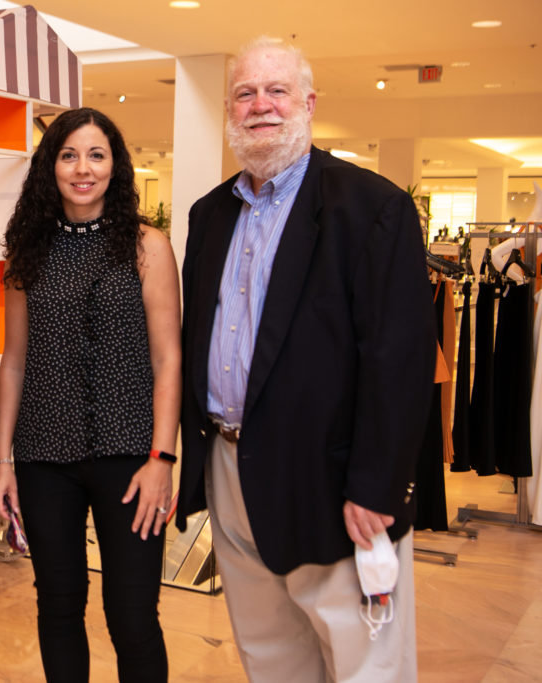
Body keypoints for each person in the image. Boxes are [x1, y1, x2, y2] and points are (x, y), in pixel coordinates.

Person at [179, 37, 436, 681]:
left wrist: (377, 486)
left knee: (362, 660)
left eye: (277, 90)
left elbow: (398, 362)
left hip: (335, 483)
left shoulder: (372, 209)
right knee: (271, 654)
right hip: (234, 471)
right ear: (230, 110)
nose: (260, 105)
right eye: (245, 92)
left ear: (309, 103)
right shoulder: (210, 215)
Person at [0, 107, 181, 682]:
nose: (82, 168)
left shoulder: (148, 246)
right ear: (50, 166)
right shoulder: (30, 249)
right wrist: (2, 462)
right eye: (68, 155)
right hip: (45, 457)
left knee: (131, 617)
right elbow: (15, 362)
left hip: (130, 458)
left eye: (96, 155)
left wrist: (162, 458)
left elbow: (168, 358)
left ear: (115, 166)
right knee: (58, 606)